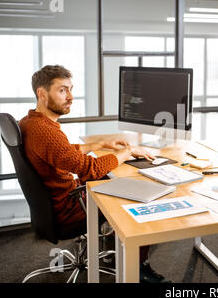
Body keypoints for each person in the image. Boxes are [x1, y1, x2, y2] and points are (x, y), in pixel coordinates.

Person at [19, 65, 170, 283]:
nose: (70, 97)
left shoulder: (30, 122)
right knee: (140, 200)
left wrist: (100, 144)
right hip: (69, 211)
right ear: (41, 94)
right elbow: (90, 168)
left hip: (56, 204)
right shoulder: (46, 132)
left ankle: (114, 247)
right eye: (62, 90)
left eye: (71, 89)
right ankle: (138, 269)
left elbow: (63, 154)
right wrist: (127, 152)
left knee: (116, 177)